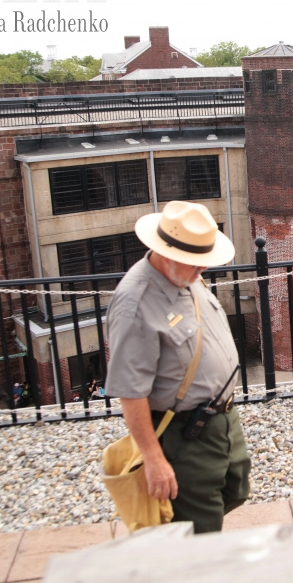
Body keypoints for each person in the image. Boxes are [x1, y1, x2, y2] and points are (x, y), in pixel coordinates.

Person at [104, 200, 249, 534]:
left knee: (234, 489)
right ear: (167, 253)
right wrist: (154, 460)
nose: (204, 271)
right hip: (184, 432)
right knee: (199, 525)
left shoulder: (184, 274)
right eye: (196, 263)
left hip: (220, 419)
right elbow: (130, 392)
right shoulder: (136, 303)